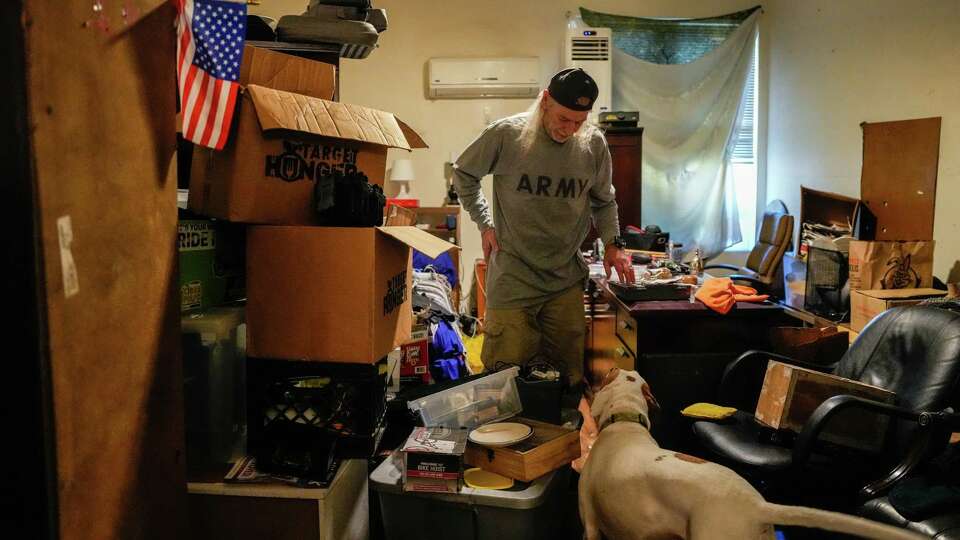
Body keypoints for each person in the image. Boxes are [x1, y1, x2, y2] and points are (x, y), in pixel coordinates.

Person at [453, 67, 634, 397]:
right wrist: (485, 223)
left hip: (564, 281)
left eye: (579, 122)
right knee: (504, 385)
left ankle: (558, 448)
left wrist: (613, 243)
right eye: (564, 119)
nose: (569, 129)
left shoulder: (593, 144)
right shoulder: (507, 135)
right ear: (545, 101)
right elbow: (463, 172)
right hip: (513, 278)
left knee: (566, 383)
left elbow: (604, 201)